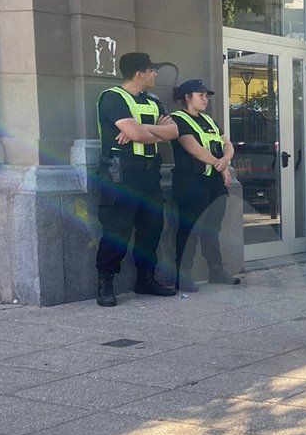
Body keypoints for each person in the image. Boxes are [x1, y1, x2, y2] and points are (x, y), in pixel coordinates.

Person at [94, 52, 180, 306]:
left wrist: (145, 130)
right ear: (139, 73)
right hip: (121, 174)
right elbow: (136, 134)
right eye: (152, 70)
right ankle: (105, 284)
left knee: (151, 228)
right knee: (117, 230)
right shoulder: (113, 97)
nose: (155, 74)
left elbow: (174, 131)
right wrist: (146, 132)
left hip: (149, 174)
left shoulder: (152, 100)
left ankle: (145, 280)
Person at [169, 79, 240, 292]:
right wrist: (221, 165)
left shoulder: (209, 120)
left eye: (206, 95)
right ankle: (182, 275)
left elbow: (227, 144)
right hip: (191, 182)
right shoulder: (177, 119)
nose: (205, 99)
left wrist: (225, 160)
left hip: (214, 183)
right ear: (187, 97)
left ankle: (216, 271)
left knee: (212, 228)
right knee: (189, 228)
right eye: (200, 95)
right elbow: (194, 149)